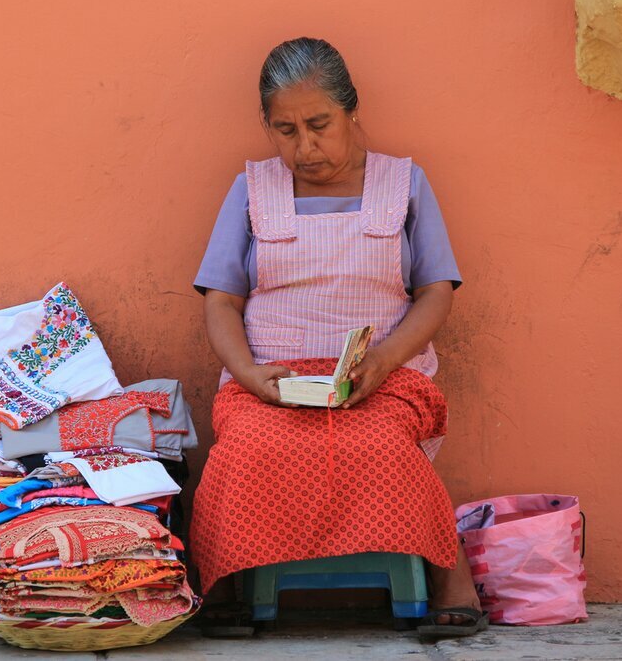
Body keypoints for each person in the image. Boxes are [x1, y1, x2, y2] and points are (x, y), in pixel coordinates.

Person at [189, 37, 486, 637]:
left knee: (384, 446)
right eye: (286, 130)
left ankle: (447, 576)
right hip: (271, 382)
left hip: (383, 377)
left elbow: (436, 291)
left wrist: (384, 361)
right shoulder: (251, 190)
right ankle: (223, 582)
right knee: (245, 449)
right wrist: (250, 375)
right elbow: (221, 300)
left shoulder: (404, 183)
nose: (305, 147)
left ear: (351, 111)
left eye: (319, 125)